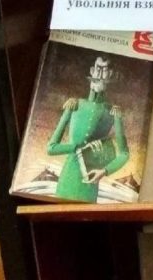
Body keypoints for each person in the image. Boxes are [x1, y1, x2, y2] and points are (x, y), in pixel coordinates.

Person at [45, 56, 128, 203]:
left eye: (104, 70)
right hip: (68, 180)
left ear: (110, 74)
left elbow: (124, 154)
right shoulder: (74, 105)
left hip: (90, 182)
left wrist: (105, 171)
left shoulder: (114, 112)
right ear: (92, 70)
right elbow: (51, 148)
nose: (100, 74)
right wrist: (76, 147)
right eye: (98, 68)